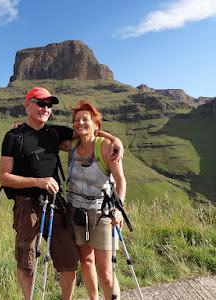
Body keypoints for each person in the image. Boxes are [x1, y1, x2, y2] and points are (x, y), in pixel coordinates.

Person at [0, 87, 124, 300]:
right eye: (40, 103)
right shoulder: (13, 136)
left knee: (68, 260)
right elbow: (5, 177)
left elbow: (88, 132)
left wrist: (115, 140)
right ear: (27, 104)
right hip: (27, 204)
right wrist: (38, 181)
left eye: (49, 105)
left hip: (56, 204)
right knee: (27, 260)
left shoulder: (54, 133)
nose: (45, 108)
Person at [66, 100, 126, 300]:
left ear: (96, 125)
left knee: (106, 274)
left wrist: (119, 207)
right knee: (86, 260)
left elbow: (120, 180)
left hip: (103, 213)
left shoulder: (106, 147)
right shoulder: (71, 145)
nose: (80, 123)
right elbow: (44, 133)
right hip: (77, 213)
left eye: (85, 119)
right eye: (76, 120)